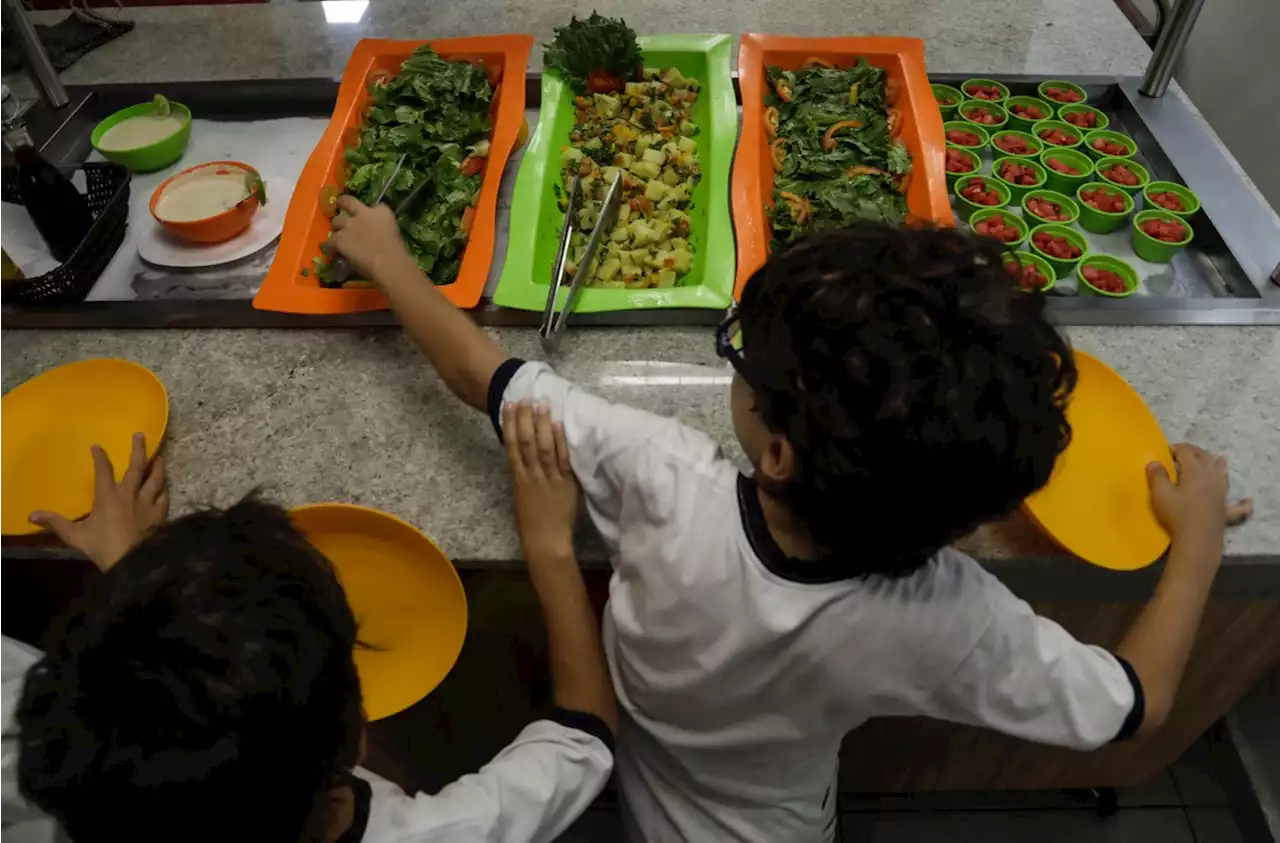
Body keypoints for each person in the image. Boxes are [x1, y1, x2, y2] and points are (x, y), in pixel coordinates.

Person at [326, 202, 1251, 843]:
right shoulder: (955, 614)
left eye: (746, 358)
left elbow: (482, 375)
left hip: (645, 786)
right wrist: (1197, 544)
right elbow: (1134, 703)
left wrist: (390, 259)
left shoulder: (660, 475)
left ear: (778, 451)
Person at [1, 419, 616, 843]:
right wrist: (549, 543)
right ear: (357, 741)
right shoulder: (446, 831)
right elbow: (585, 737)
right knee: (507, 607)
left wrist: (136, 584)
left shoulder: (57, 765)